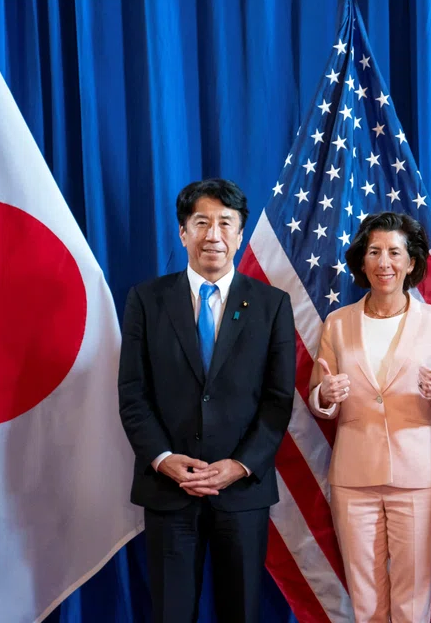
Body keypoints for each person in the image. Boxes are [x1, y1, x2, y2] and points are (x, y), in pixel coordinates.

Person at [118, 178, 296, 623]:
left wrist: (240, 464)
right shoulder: (146, 300)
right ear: (183, 233)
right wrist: (163, 459)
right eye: (201, 223)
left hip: (241, 491)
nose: (212, 235)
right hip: (169, 490)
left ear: (239, 234)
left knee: (241, 611)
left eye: (224, 223)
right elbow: (132, 393)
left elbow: (278, 399)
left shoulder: (272, 305)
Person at [308, 212, 431, 623]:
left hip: (417, 477)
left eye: (395, 252)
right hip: (353, 478)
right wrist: (325, 396)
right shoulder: (337, 323)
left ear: (411, 262)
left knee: (413, 597)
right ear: (362, 260)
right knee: (365, 598)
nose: (384, 262)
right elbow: (317, 394)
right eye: (374, 251)